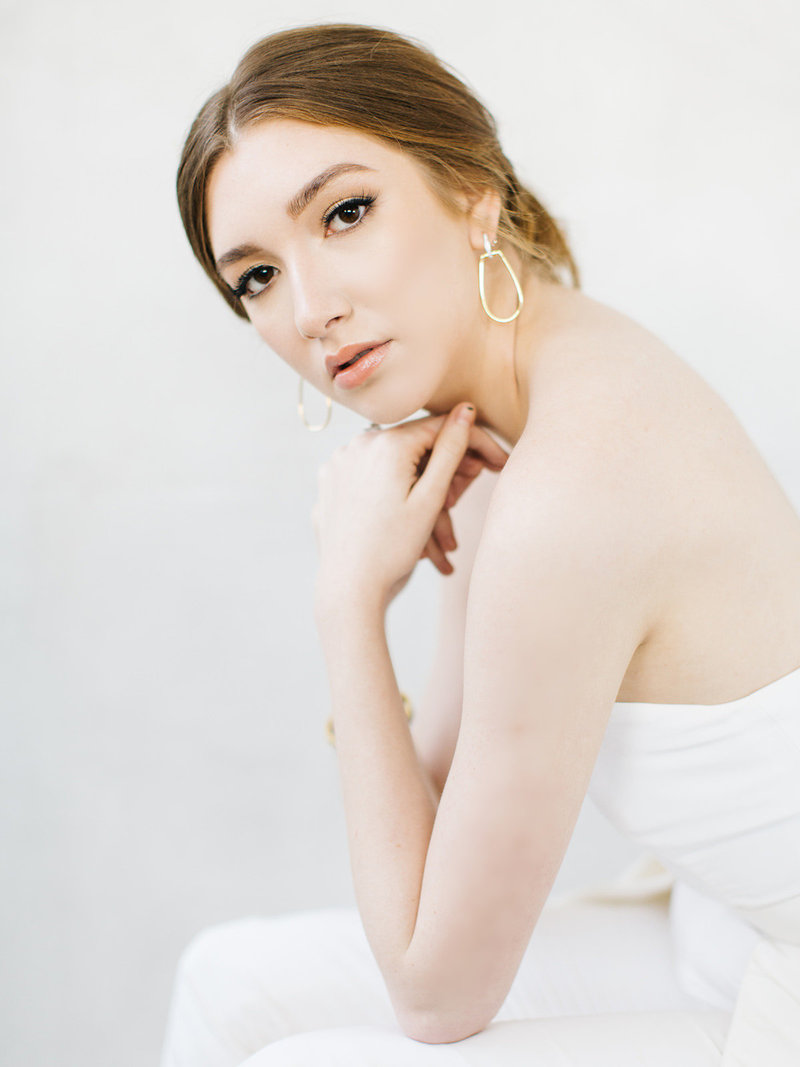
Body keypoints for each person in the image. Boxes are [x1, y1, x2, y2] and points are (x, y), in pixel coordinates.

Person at [161, 22, 800, 1066]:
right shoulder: (505, 409)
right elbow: (439, 808)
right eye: (256, 279)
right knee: (226, 982)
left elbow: (435, 987)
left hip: (772, 963)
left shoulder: (573, 484)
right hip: (719, 928)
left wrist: (346, 607)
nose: (311, 308)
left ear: (473, 195)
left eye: (346, 212)